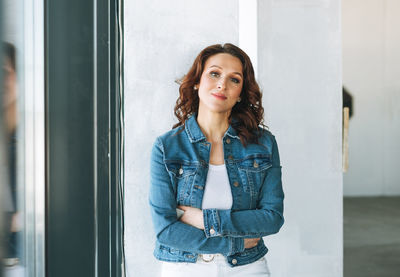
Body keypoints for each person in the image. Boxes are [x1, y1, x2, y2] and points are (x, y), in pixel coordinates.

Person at [149, 43, 284, 277]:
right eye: (214, 73)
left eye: (235, 79)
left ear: (240, 93)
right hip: (183, 267)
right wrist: (234, 244)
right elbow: (166, 229)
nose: (222, 84)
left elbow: (272, 218)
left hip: (247, 268)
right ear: (197, 81)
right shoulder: (167, 147)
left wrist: (204, 219)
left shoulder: (263, 144)